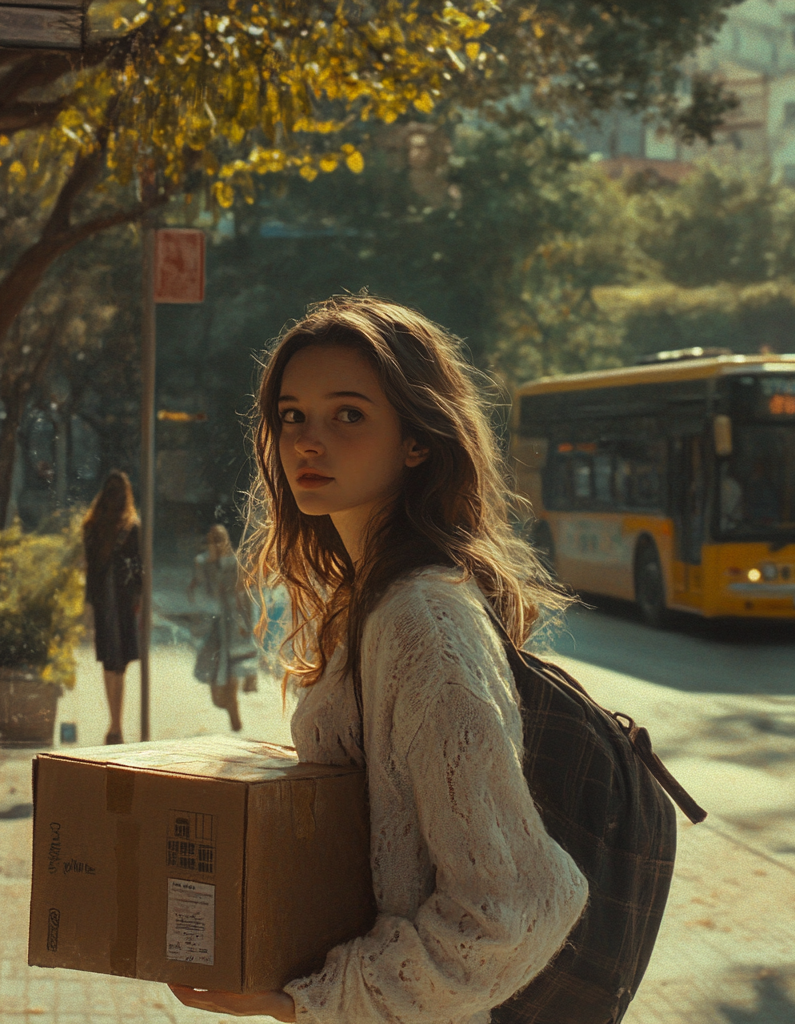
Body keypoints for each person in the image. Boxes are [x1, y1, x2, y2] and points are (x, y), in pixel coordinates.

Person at [169, 296, 588, 1023]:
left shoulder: (421, 617)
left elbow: (513, 909)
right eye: (292, 415)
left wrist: (305, 1002)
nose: (308, 440)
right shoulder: (375, 597)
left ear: (417, 441)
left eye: (348, 415)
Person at [82, 470, 142, 745]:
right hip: (124, 601)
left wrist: (88, 605)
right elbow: (137, 569)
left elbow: (91, 569)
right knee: (121, 666)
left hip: (103, 602)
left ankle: (113, 723)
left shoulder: (91, 526)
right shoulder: (132, 527)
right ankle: (117, 723)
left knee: (109, 662)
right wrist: (139, 600)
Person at [187, 524, 258, 732]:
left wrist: (247, 624)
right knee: (214, 682)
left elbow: (244, 595)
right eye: (213, 541)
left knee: (230, 668)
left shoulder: (235, 563)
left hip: (232, 625)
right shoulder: (202, 563)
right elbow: (197, 593)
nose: (217, 545)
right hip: (212, 626)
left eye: (220, 540)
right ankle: (229, 706)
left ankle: (234, 710)